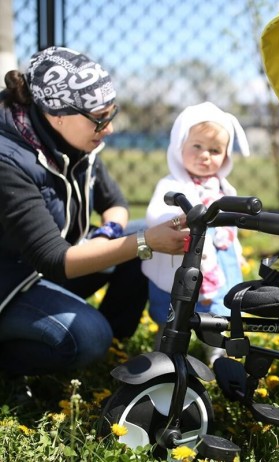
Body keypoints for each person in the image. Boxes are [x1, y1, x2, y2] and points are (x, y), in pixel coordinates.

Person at [0, 46, 187, 380]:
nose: (109, 129)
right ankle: (13, 366)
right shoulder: (8, 160)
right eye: (101, 118)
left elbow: (115, 203)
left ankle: (112, 343)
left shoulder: (72, 140)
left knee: (148, 228)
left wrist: (108, 234)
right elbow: (54, 259)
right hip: (10, 285)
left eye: (111, 115)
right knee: (87, 337)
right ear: (57, 114)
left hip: (45, 271)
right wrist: (144, 242)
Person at [141, 102, 250, 356]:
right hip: (183, 257)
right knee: (174, 309)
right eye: (197, 147)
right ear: (179, 146)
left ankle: (215, 350)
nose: (205, 155)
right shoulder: (171, 184)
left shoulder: (223, 187)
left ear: (226, 155)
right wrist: (177, 218)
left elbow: (231, 225)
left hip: (220, 262)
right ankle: (165, 350)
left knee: (217, 312)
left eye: (215, 150)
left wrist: (237, 248)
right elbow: (155, 215)